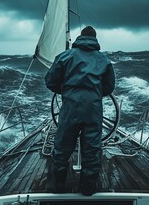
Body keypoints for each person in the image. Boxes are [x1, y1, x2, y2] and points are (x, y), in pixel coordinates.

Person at [45, 26, 115, 196]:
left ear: (80, 38)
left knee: (61, 150)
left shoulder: (64, 57)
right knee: (92, 151)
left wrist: (67, 91)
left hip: (70, 109)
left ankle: (58, 187)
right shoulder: (104, 60)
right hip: (93, 111)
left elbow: (50, 82)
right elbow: (108, 88)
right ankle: (87, 189)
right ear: (95, 39)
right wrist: (92, 94)